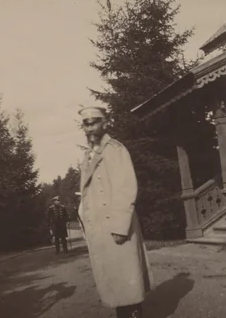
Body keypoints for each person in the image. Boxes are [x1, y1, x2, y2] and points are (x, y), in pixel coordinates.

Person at [76, 106, 152, 318]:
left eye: (94, 122)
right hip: (101, 230)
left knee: (128, 287)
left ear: (105, 123)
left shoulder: (115, 150)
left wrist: (119, 226)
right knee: (117, 285)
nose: (90, 127)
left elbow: (126, 189)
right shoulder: (89, 155)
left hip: (117, 228)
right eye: (86, 123)